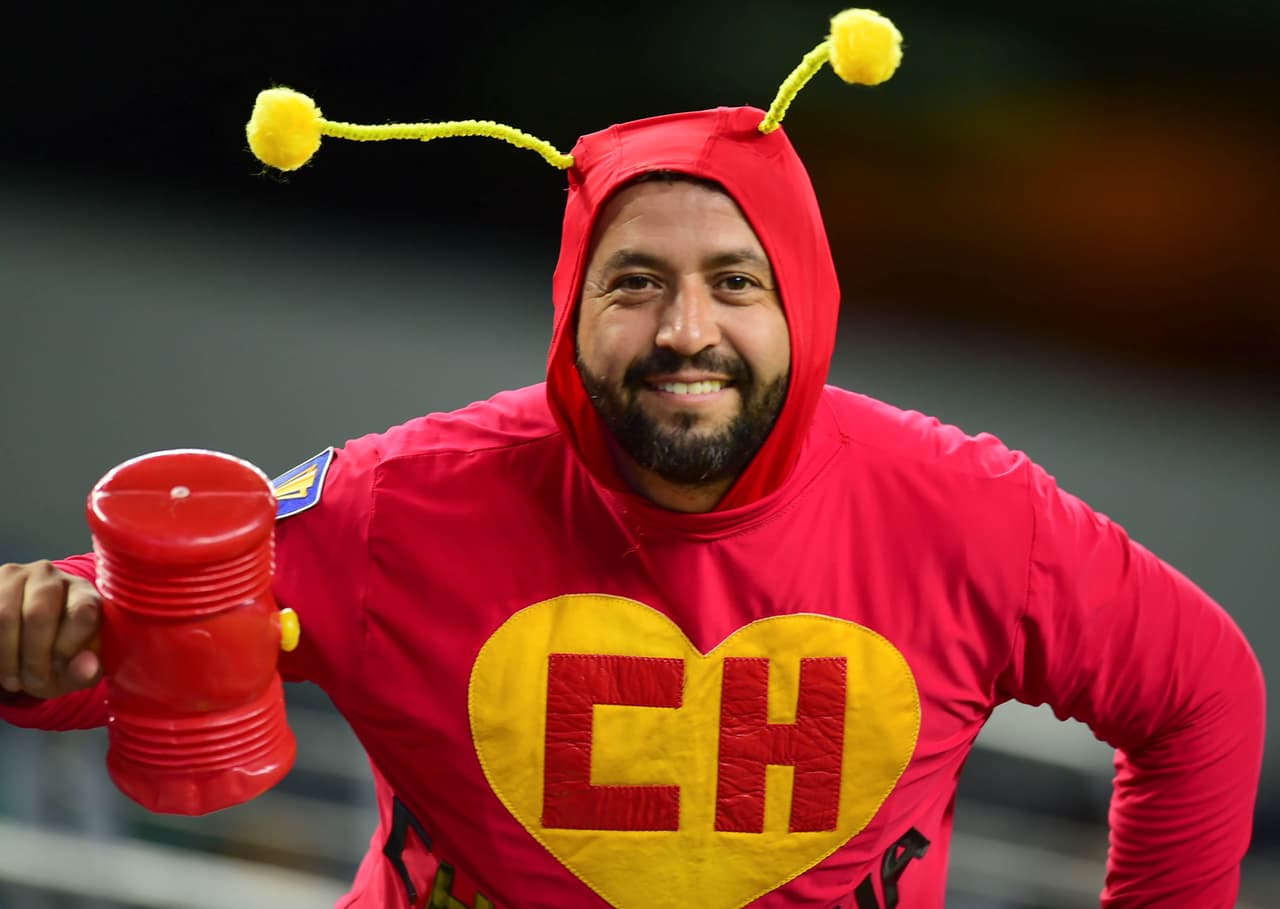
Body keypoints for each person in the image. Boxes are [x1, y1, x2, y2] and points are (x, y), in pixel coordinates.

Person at [0, 9, 1265, 909]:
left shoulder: (969, 513)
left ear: (806, 307)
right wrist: (34, 637)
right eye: (634, 283)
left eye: (734, 282)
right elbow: (133, 627)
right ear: (569, 313)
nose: (684, 330)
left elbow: (1200, 694)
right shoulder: (403, 502)